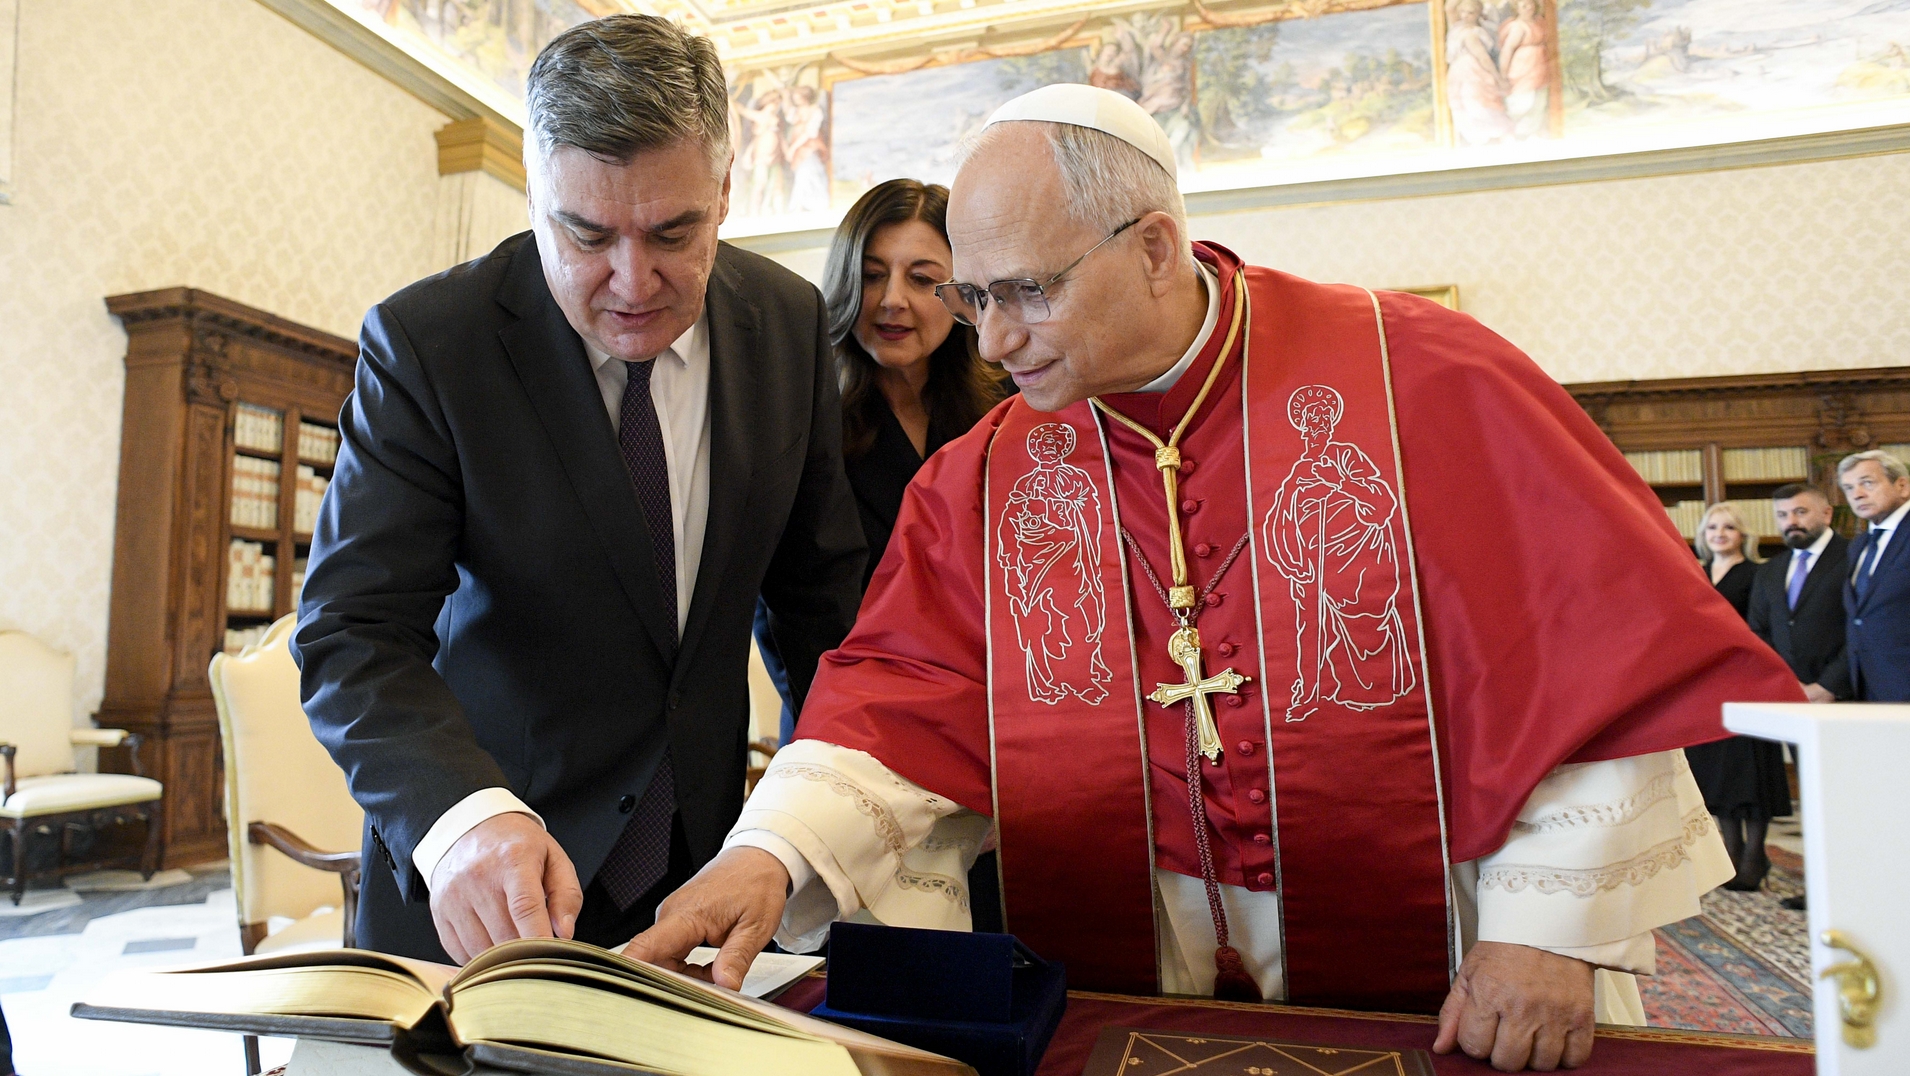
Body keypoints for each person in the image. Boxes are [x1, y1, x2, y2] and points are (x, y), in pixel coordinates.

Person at [629, 86, 1801, 1073]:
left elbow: (1584, 653)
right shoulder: (983, 474)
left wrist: (1551, 927)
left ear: (1151, 245)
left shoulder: (1423, 382)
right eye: (971, 298)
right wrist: (765, 852)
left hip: (1447, 956)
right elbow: (901, 693)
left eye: (1026, 291)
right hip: (1137, 973)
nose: (991, 342)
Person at [293, 14, 866, 966]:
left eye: (674, 232)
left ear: (726, 191)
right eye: (586, 233)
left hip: (700, 880)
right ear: (535, 192)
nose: (632, 281)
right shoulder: (433, 344)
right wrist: (461, 819)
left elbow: (821, 617)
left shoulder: (788, 323)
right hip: (486, 893)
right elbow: (351, 634)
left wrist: (808, 825)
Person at [754, 179, 1004, 734]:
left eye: (921, 278)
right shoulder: (797, 409)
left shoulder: (1008, 411)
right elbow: (780, 608)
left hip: (985, 714)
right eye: (871, 276)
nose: (892, 299)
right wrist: (834, 715)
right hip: (846, 717)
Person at [1683, 502, 1785, 892]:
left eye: (1728, 527)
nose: (1720, 534)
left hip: (1747, 682)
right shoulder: (1696, 573)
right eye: (1712, 528)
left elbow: (1763, 626)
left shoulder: (1757, 573)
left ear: (1744, 533)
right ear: (1703, 535)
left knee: (1751, 769)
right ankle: (1731, 850)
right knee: (1718, 772)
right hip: (1705, 686)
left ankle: (1755, 855)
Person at [1840, 449, 1910, 701]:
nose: (1857, 494)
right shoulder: (1858, 545)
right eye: (1848, 488)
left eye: (1867, 483)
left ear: (1902, 486)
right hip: (1867, 685)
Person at [1447, 0, 1513, 145]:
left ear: (1478, 14)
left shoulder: (1473, 32)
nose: (1465, 16)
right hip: (1462, 72)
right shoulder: (1458, 27)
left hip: (1473, 71)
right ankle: (1477, 140)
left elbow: (1483, 58)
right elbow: (1449, 7)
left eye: (1470, 13)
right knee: (1466, 106)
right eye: (1462, 11)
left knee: (1477, 104)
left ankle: (1489, 137)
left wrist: (1498, 78)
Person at [1496, 0, 1550, 139]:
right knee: (1522, 100)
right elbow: (1507, 50)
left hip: (1539, 66)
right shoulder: (1517, 26)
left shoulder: (1539, 21)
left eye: (1531, 4)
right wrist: (1503, 73)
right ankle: (1512, 132)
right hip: (1522, 68)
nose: (1529, 8)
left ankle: (1530, 132)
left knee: (1538, 101)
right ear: (1517, 8)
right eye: (1524, 6)